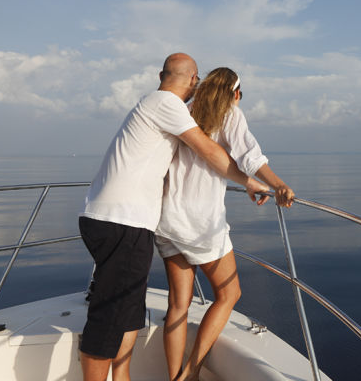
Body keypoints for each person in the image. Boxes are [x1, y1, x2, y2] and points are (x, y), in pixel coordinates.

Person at [78, 53, 270, 381]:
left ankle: (123, 376)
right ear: (194, 81)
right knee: (108, 317)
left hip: (134, 222)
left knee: (128, 312)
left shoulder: (161, 104)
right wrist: (251, 181)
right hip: (121, 220)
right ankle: (184, 373)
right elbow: (208, 150)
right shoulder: (167, 103)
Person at [156, 67, 294, 381]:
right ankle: (190, 372)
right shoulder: (229, 113)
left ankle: (173, 376)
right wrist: (278, 185)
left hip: (167, 218)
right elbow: (250, 154)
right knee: (229, 293)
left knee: (178, 304)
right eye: (240, 94)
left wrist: (247, 184)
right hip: (200, 222)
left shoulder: (186, 112)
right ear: (234, 94)